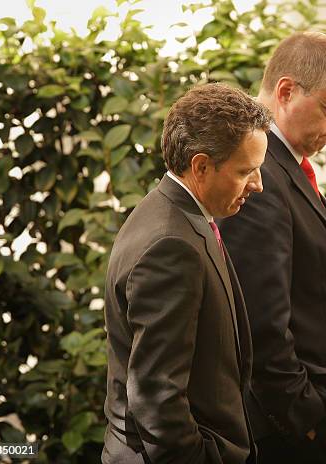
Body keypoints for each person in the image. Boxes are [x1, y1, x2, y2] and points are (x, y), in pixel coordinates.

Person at [219, 32, 326, 464]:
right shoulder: (257, 179)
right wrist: (314, 423)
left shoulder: (284, 167)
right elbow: (261, 331)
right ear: (286, 92)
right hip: (291, 442)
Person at [102, 83, 271, 464]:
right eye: (246, 171)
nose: (258, 185)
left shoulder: (175, 215)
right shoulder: (170, 245)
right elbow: (156, 399)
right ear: (200, 166)